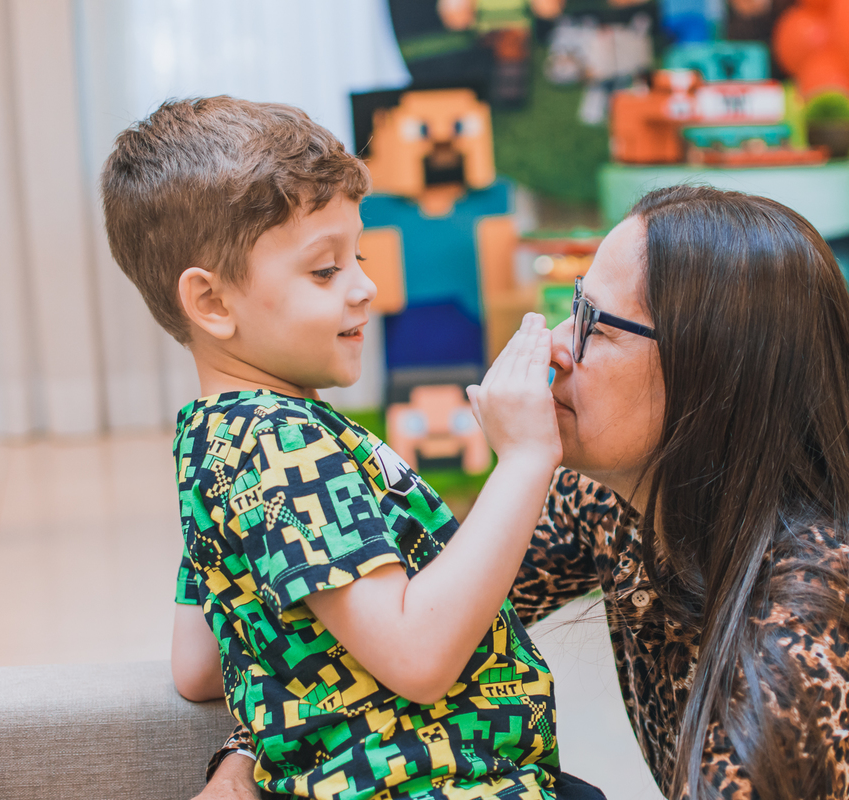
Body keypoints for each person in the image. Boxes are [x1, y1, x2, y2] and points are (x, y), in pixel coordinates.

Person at [204, 185, 849, 800]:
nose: (553, 344)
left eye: (593, 324)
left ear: (710, 375)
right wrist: (250, 759)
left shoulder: (815, 615)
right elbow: (406, 629)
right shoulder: (618, 501)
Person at [100, 96, 606, 800]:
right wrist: (523, 460)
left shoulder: (212, 442)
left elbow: (199, 665)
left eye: (357, 256)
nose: (365, 287)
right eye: (324, 271)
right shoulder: (287, 446)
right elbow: (419, 657)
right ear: (213, 304)